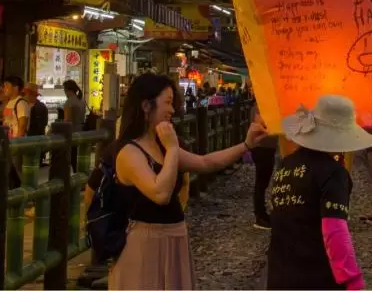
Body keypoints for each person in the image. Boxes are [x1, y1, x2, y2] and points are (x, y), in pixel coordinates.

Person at [108, 74, 267, 290]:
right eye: (167, 102)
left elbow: (205, 163)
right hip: (145, 244)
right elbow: (160, 194)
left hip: (173, 237)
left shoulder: (161, 146)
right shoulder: (129, 151)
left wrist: (246, 145)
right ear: (146, 106)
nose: (172, 110)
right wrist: (173, 148)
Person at [267, 95, 372, 290]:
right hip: (316, 277)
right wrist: (352, 280)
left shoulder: (286, 164)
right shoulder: (333, 173)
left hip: (280, 273)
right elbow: (335, 230)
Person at [251, 108, 278, 230]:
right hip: (262, 147)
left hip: (267, 147)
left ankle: (261, 214)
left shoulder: (263, 105)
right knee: (261, 183)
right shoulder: (260, 106)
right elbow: (260, 124)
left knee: (263, 183)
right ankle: (260, 216)